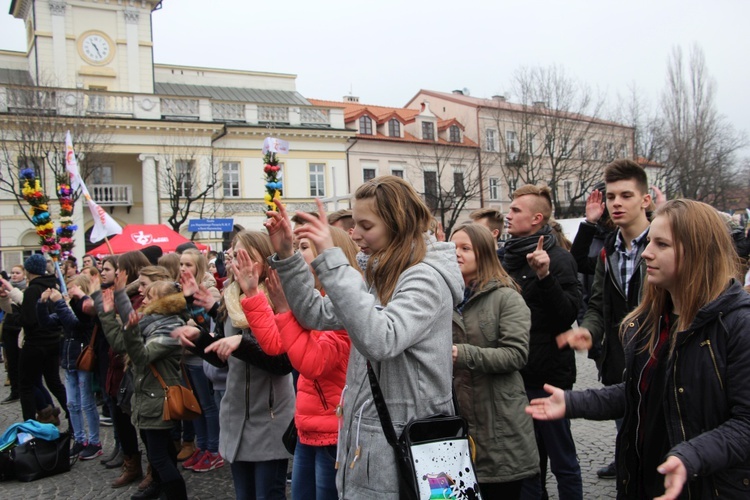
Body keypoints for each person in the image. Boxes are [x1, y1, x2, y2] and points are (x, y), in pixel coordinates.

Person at [526, 199, 750, 499]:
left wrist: (690, 456)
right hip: (642, 481)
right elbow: (638, 391)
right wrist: (572, 402)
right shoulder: (651, 321)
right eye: (649, 242)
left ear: (698, 251)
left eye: (661, 244)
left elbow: (745, 424)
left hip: (707, 486)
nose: (646, 252)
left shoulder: (738, 324)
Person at [266, 175, 464, 498]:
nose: (355, 234)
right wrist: (288, 254)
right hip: (373, 444)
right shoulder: (381, 275)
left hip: (409, 447)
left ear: (397, 224)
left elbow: (380, 338)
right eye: (355, 224)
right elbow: (313, 313)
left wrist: (331, 258)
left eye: (365, 226)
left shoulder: (426, 279)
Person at [215, 226, 357, 500]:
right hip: (307, 426)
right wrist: (254, 294)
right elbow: (275, 344)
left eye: (302, 247)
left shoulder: (341, 307)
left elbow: (313, 363)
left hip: (333, 430)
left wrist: (282, 311)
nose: (292, 254)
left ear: (330, 257)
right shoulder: (310, 302)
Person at [172, 230, 295, 500]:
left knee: (268, 494)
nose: (240, 264)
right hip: (236, 412)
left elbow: (282, 362)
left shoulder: (279, 298)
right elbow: (223, 356)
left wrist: (241, 343)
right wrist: (199, 340)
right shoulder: (229, 298)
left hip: (270, 417)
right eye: (235, 255)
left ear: (264, 261)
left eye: (247, 257)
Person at [561, 160, 653, 479]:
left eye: (626, 195)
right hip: (619, 360)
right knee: (626, 434)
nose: (616, 203)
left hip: (661, 362)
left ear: (645, 200)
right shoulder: (611, 250)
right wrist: (588, 331)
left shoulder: (663, 244)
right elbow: (598, 305)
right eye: (611, 196)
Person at [501, 185, 582, 499]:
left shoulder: (559, 258)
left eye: (516, 210)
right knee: (529, 464)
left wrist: (545, 277)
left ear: (536, 219)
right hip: (518, 376)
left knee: (562, 460)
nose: (508, 214)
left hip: (548, 379)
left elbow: (566, 316)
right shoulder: (509, 257)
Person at [450, 223, 538, 499]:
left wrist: (460, 354)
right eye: (452, 247)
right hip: (458, 425)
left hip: (499, 423)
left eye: (465, 248)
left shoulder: (507, 298)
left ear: (485, 254)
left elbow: (516, 354)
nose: (457, 253)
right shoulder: (445, 298)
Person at [96, 280, 189, 500]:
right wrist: (108, 315)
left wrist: (130, 329)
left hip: (158, 398)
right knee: (161, 451)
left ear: (163, 302)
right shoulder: (150, 321)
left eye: (149, 296)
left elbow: (141, 356)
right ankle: (162, 488)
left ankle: (178, 495)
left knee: (158, 456)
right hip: (148, 395)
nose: (144, 300)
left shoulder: (169, 326)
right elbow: (120, 345)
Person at [37, 274, 101, 460]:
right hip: (69, 361)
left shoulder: (85, 309)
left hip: (82, 360)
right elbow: (47, 323)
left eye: (71, 287)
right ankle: (79, 439)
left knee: (87, 403)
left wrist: (59, 303)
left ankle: (95, 441)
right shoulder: (68, 308)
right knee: (72, 403)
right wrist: (42, 303)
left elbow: (74, 323)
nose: (67, 291)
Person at [176, 249, 223, 472]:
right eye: (181, 264)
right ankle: (202, 446)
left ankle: (213, 450)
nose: (183, 269)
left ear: (199, 268)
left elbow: (208, 324)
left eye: (189, 265)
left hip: (202, 358)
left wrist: (192, 316)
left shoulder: (209, 290)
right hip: (189, 355)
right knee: (196, 407)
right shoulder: (182, 289)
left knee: (208, 405)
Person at [19, 254, 68, 423]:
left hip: (35, 343)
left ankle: (29, 424)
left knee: (25, 385)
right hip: (53, 341)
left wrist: (19, 314)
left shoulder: (33, 289)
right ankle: (70, 414)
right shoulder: (53, 285)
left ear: (28, 270)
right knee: (54, 382)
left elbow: (29, 319)